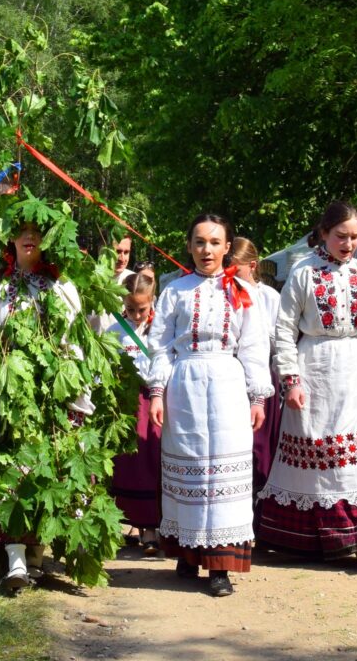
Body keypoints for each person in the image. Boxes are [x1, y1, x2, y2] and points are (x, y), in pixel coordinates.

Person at [257, 202, 357, 565]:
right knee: (325, 458)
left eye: (355, 237)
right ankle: (315, 538)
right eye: (341, 236)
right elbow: (283, 331)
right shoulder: (303, 273)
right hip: (317, 370)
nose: (348, 244)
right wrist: (290, 379)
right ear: (324, 233)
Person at [146, 213, 272, 597]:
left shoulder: (241, 292)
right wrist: (156, 391)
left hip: (227, 385)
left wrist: (257, 397)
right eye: (200, 242)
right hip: (184, 385)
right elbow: (159, 344)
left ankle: (220, 565)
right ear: (189, 246)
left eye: (215, 242)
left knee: (222, 473)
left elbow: (253, 346)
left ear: (227, 248)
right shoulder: (175, 291)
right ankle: (187, 553)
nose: (207, 250)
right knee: (190, 467)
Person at [0, 219, 95, 591]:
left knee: (46, 470)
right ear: (10, 237)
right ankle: (16, 563)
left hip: (51, 392)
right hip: (7, 391)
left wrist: (67, 378)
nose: (29, 238)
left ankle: (37, 555)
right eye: (21, 231)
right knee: (9, 471)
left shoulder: (62, 286)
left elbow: (76, 336)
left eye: (37, 232)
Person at [108, 272, 162, 556]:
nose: (137, 315)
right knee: (131, 463)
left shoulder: (163, 327)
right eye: (131, 309)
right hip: (128, 402)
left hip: (157, 401)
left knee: (154, 460)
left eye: (142, 309)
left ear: (152, 301)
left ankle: (154, 526)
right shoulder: (115, 331)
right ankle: (138, 527)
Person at [230, 236, 282, 499]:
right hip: (232, 377)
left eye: (236, 269)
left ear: (251, 266)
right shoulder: (226, 292)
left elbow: (279, 336)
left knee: (261, 446)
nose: (232, 275)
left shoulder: (268, 296)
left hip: (262, 375)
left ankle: (261, 506)